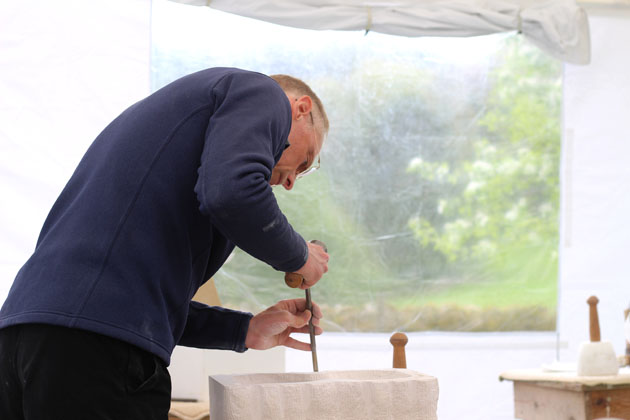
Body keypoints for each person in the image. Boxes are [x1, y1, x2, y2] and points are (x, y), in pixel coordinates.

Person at [0, 67, 330, 419]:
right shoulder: (261, 93)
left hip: (22, 340)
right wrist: (299, 257)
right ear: (300, 108)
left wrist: (245, 330)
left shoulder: (167, 143)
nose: (293, 181)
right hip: (96, 353)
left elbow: (137, 301)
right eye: (306, 160)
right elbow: (232, 194)